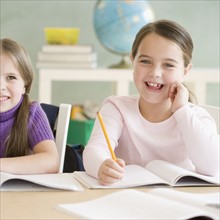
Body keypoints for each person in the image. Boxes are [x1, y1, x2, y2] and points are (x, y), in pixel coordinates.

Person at [83, 19, 219, 185]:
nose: (155, 73)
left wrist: (181, 110)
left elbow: (212, 167)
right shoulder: (116, 108)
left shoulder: (196, 117)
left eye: (168, 65)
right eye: (145, 61)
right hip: (126, 201)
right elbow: (94, 151)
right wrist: (102, 166)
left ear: (185, 71)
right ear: (133, 61)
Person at [0, 38, 59, 174]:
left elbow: (51, 161)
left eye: (11, 77)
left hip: (22, 193)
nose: (1, 87)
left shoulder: (31, 113)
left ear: (24, 85)